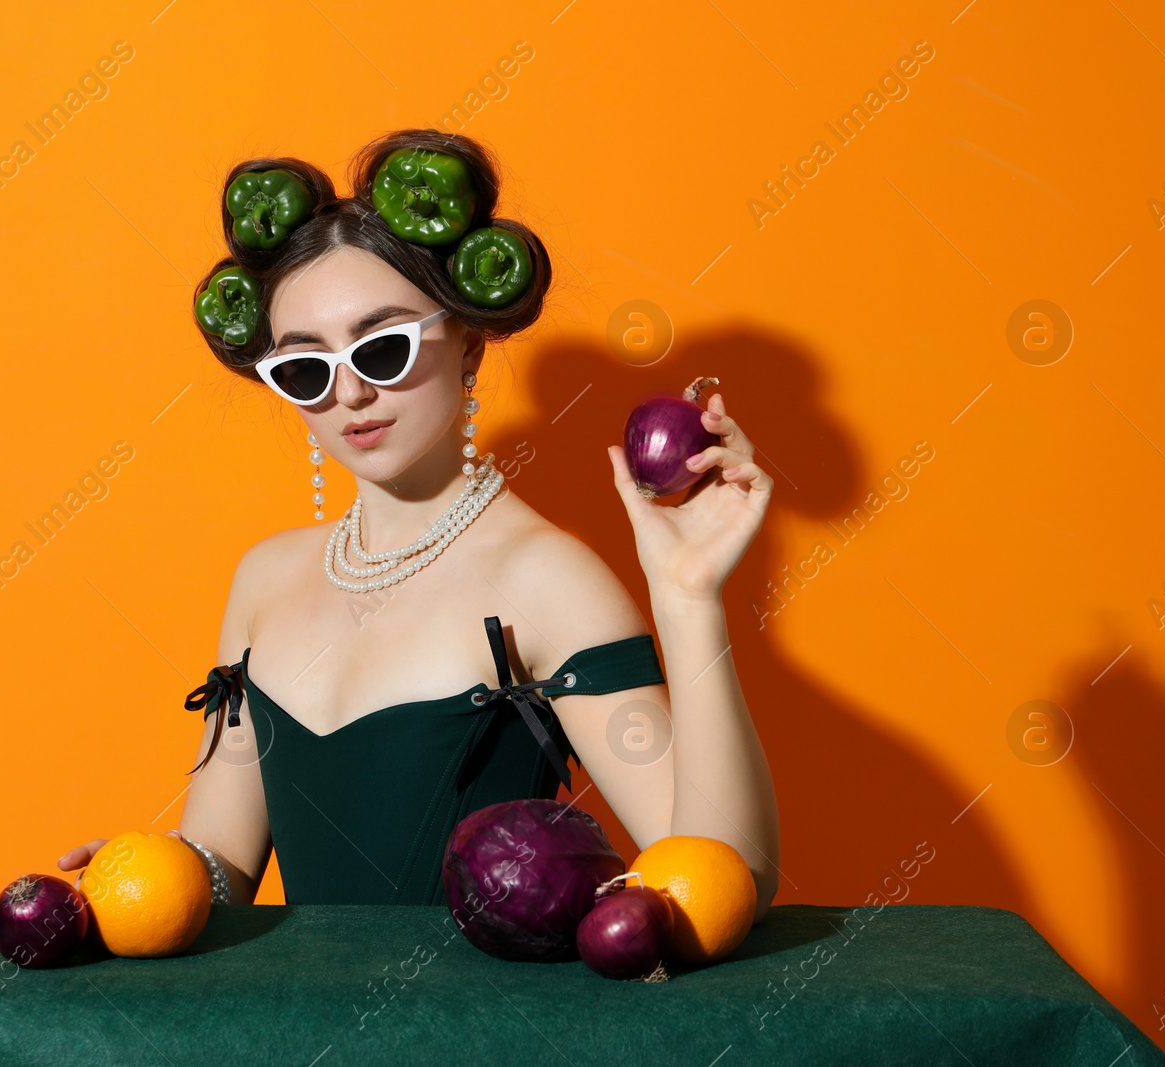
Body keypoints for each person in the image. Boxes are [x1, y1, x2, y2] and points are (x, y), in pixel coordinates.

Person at [59, 129, 779, 919]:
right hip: (292, 1035)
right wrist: (146, 879)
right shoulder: (263, 579)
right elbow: (224, 867)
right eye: (305, 365)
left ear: (468, 340)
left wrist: (687, 600)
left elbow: (725, 880)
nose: (351, 395)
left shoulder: (546, 580)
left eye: (383, 348)